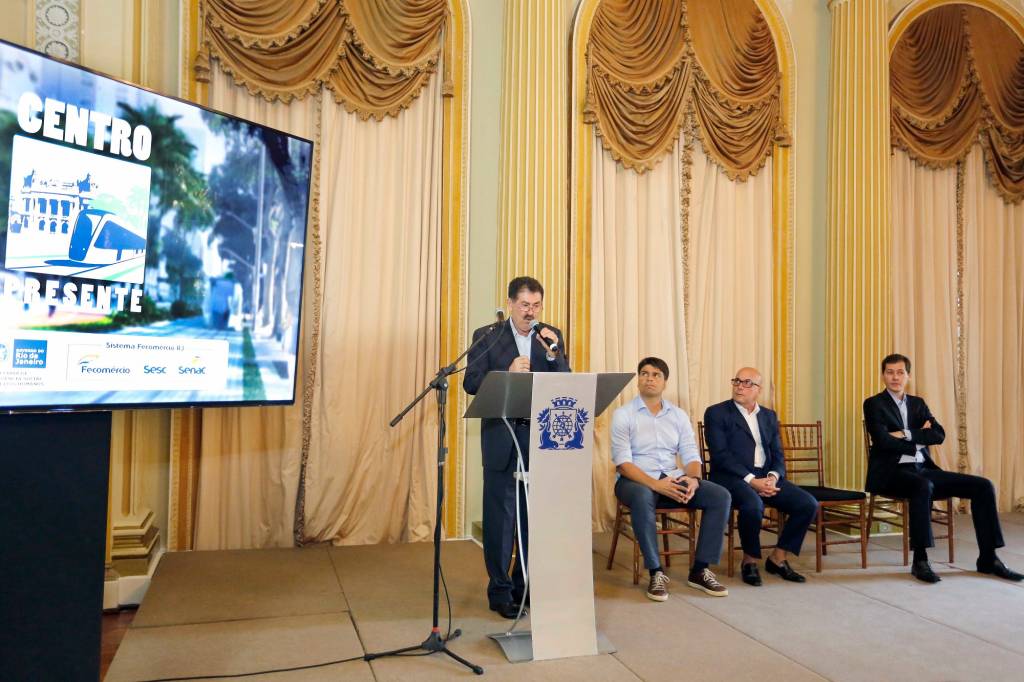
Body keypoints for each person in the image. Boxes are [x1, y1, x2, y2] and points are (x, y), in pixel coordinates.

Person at [864, 353, 1023, 584]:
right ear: (882, 376)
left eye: (900, 372)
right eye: (890, 372)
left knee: (983, 486)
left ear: (908, 375)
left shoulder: (918, 403)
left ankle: (989, 558)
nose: (895, 377)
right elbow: (882, 441)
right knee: (923, 485)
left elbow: (938, 434)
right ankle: (920, 560)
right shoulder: (873, 404)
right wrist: (920, 436)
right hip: (891, 473)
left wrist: (906, 434)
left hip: (922, 468)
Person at [463, 276, 570, 618]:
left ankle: (525, 585)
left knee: (531, 516)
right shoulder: (488, 336)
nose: (531, 312)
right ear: (510, 303)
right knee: (500, 518)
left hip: (539, 438)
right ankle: (500, 591)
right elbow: (470, 382)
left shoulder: (549, 336)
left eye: (537, 305)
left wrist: (553, 356)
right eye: (524, 305)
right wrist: (505, 371)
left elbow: (564, 382)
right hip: (502, 437)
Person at [611, 357, 731, 600]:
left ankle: (700, 569)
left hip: (672, 476)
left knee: (720, 496)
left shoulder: (677, 415)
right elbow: (623, 464)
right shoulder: (623, 414)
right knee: (644, 494)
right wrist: (656, 485)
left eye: (656, 374)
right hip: (634, 481)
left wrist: (694, 479)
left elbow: (691, 454)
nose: (649, 378)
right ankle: (656, 572)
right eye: (644, 373)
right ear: (638, 380)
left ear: (665, 382)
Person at [703, 367, 818, 586]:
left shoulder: (768, 415)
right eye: (737, 381)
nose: (739, 386)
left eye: (747, 383)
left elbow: (778, 453)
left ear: (758, 389)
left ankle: (778, 558)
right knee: (753, 504)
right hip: (731, 477)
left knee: (807, 504)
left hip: (766, 476)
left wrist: (773, 478)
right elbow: (721, 455)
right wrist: (751, 481)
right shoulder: (717, 413)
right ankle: (750, 560)